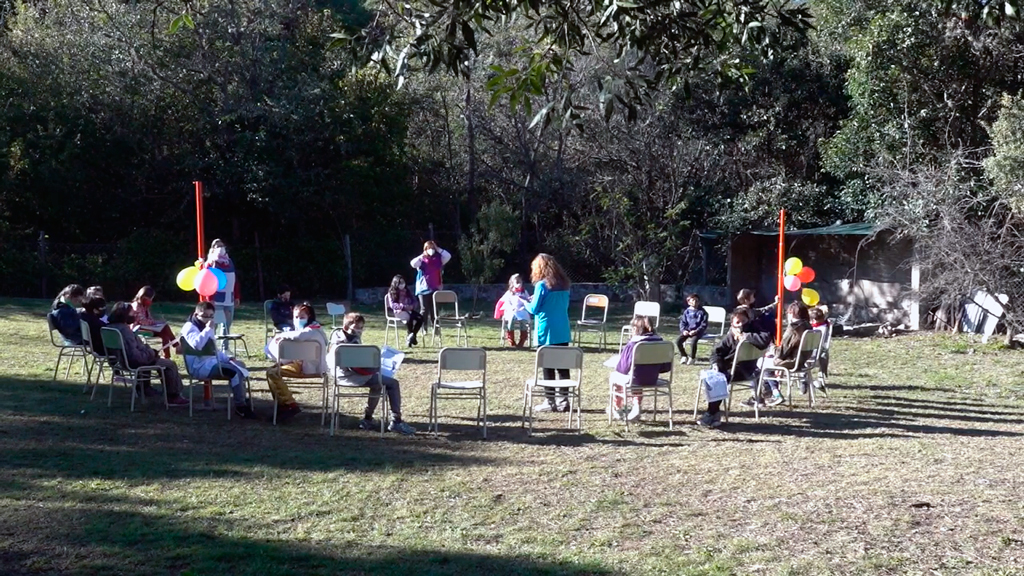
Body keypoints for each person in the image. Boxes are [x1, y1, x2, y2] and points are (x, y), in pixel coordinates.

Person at [329, 312, 416, 435]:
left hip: (340, 376)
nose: (359, 331)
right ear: (346, 327)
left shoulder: (336, 337)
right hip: (352, 376)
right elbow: (356, 368)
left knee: (378, 384)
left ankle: (367, 419)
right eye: (357, 328)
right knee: (393, 383)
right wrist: (375, 368)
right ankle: (396, 421)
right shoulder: (346, 344)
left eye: (361, 328)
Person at [181, 301, 256, 418]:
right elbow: (197, 345)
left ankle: (242, 398)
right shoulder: (190, 327)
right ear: (196, 315)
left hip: (212, 362)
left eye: (211, 316)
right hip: (199, 366)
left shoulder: (206, 327)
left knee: (240, 364)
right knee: (234, 371)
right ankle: (240, 406)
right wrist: (207, 329)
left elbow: (214, 350)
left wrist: (228, 358)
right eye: (205, 316)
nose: (208, 319)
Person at [699, 307, 772, 427]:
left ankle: (712, 413)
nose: (741, 325)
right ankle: (714, 414)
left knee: (719, 379)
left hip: (745, 370)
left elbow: (765, 340)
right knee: (714, 376)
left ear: (748, 320)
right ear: (732, 323)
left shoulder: (755, 330)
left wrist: (745, 336)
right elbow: (716, 352)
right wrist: (715, 364)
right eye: (737, 322)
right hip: (727, 368)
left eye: (743, 321)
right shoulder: (731, 335)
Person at [106, 302, 188, 405]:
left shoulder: (110, 328)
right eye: (132, 314)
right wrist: (151, 353)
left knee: (159, 360)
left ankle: (144, 387)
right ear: (124, 315)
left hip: (120, 361)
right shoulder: (124, 331)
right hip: (132, 361)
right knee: (169, 365)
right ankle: (173, 396)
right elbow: (136, 357)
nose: (135, 315)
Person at [524, 253, 573, 413]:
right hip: (562, 329)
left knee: (547, 367)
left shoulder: (542, 285)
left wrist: (525, 302)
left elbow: (534, 309)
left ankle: (549, 401)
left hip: (546, 330)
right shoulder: (565, 284)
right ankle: (564, 400)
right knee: (563, 366)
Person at [265, 302, 328, 421]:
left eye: (302, 317)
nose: (298, 320)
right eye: (296, 317)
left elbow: (299, 336)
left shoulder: (312, 330)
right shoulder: (308, 330)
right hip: (301, 364)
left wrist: (282, 335)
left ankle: (289, 404)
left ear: (309, 317)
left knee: (273, 373)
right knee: (272, 370)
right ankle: (283, 404)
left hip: (310, 368)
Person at [747, 301, 813, 408]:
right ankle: (768, 393)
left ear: (792, 313)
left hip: (790, 361)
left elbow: (781, 353)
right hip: (801, 361)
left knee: (760, 363)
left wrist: (770, 345)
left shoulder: (793, 328)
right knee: (766, 364)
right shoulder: (808, 327)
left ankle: (770, 394)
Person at [610, 315, 672, 421]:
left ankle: (617, 406)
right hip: (653, 378)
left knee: (616, 376)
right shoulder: (662, 343)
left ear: (636, 329)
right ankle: (636, 406)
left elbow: (623, 368)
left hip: (635, 379)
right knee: (636, 376)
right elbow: (666, 366)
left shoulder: (634, 344)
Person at [410, 240, 452, 334]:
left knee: (434, 309)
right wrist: (422, 255)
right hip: (423, 288)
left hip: (435, 287)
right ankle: (423, 327)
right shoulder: (421, 260)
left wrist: (438, 249)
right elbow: (412, 263)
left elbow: (448, 256)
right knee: (424, 309)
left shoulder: (438, 259)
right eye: (429, 248)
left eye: (433, 248)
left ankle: (436, 328)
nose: (431, 250)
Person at [203, 239, 240, 335]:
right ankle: (211, 347)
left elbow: (234, 280)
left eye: (222, 246)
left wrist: (236, 296)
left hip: (229, 299)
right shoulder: (210, 264)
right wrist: (210, 298)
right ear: (213, 249)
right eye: (218, 246)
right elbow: (206, 282)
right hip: (216, 300)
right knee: (213, 324)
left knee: (226, 326)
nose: (221, 248)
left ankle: (225, 348)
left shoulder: (229, 262)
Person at [131, 286, 177, 359]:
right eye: (150, 298)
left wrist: (157, 323)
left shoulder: (144, 306)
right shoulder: (136, 306)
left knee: (164, 333)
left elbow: (149, 318)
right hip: (139, 329)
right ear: (144, 297)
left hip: (147, 327)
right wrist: (154, 323)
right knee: (165, 327)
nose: (151, 300)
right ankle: (176, 344)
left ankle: (167, 355)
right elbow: (142, 321)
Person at [388, 275, 424, 347]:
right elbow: (392, 305)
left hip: (409, 310)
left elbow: (414, 301)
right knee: (408, 318)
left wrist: (412, 306)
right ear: (395, 283)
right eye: (400, 283)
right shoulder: (392, 292)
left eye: (403, 282)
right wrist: (403, 307)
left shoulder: (407, 291)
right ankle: (411, 338)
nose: (402, 285)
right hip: (399, 311)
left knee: (420, 318)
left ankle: (412, 336)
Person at [497, 273, 532, 347]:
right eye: (517, 282)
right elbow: (507, 302)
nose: (519, 284)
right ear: (512, 283)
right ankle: (511, 340)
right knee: (511, 320)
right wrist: (511, 308)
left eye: (520, 282)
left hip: (522, 311)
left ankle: (522, 340)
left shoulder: (524, 292)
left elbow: (528, 301)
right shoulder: (510, 293)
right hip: (511, 311)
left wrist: (524, 306)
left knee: (523, 321)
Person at [676, 293, 708, 365]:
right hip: (687, 331)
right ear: (688, 302)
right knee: (678, 341)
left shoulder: (702, 312)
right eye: (693, 300)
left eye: (697, 301)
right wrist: (684, 330)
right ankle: (684, 356)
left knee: (693, 342)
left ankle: (692, 358)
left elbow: (704, 324)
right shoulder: (686, 312)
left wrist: (696, 331)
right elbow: (683, 322)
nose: (695, 302)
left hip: (698, 332)